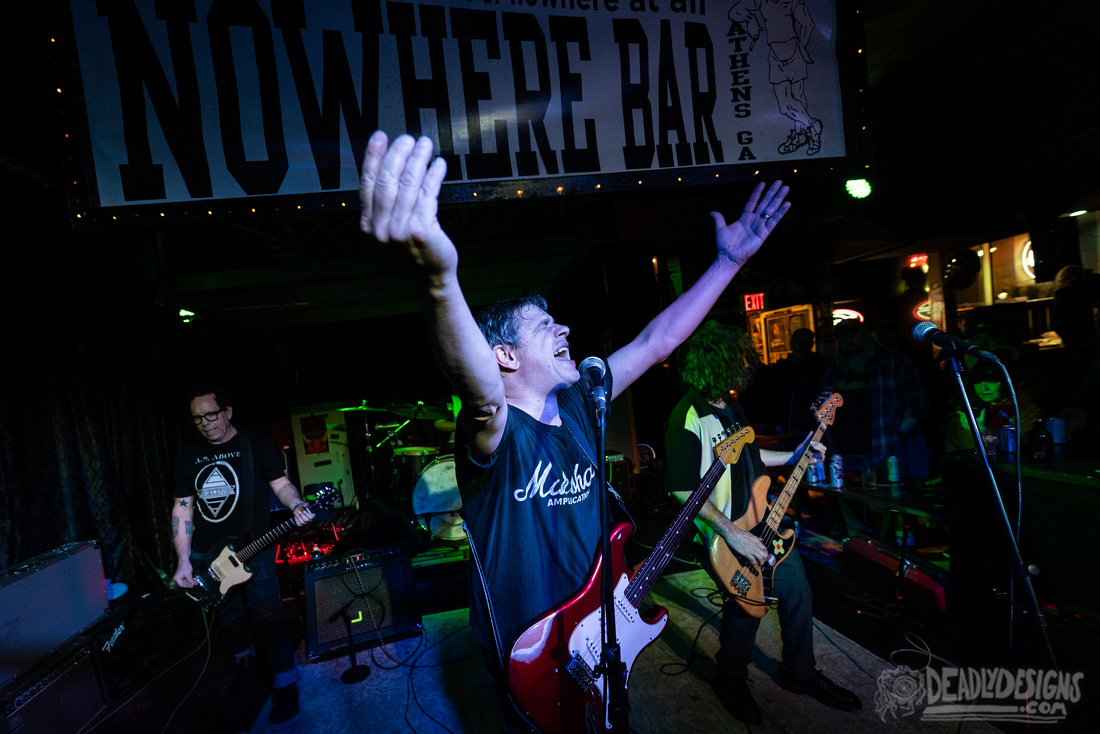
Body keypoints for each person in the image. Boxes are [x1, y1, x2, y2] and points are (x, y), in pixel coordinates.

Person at [358, 131, 790, 729]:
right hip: (530, 646)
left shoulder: (586, 403)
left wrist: (728, 262)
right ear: (505, 356)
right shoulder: (493, 431)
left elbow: (656, 340)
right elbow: (479, 391)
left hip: (601, 624)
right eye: (543, 326)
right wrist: (439, 279)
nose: (564, 329)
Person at [664, 321, 860, 725]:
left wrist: (793, 455)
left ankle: (799, 672)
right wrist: (734, 536)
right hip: (720, 535)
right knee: (746, 604)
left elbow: (753, 457)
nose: (745, 368)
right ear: (717, 364)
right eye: (738, 361)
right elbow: (681, 491)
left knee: (796, 588)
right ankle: (730, 678)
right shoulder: (686, 416)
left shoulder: (731, 407)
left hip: (757, 522)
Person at [171, 385, 314, 726]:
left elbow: (281, 485)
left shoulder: (257, 445)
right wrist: (184, 560)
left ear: (228, 411)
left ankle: (284, 682)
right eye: (197, 418)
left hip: (256, 550)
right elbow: (182, 508)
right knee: (229, 617)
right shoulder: (188, 457)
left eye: (211, 414)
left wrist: (295, 504)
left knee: (270, 614)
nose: (205, 423)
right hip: (209, 555)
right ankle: (246, 666)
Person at [944, 360, 1038, 453]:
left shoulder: (1024, 409)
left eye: (992, 381)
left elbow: (1009, 448)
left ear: (1006, 383)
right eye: (978, 382)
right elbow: (954, 447)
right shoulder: (967, 409)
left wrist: (980, 431)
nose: (984, 388)